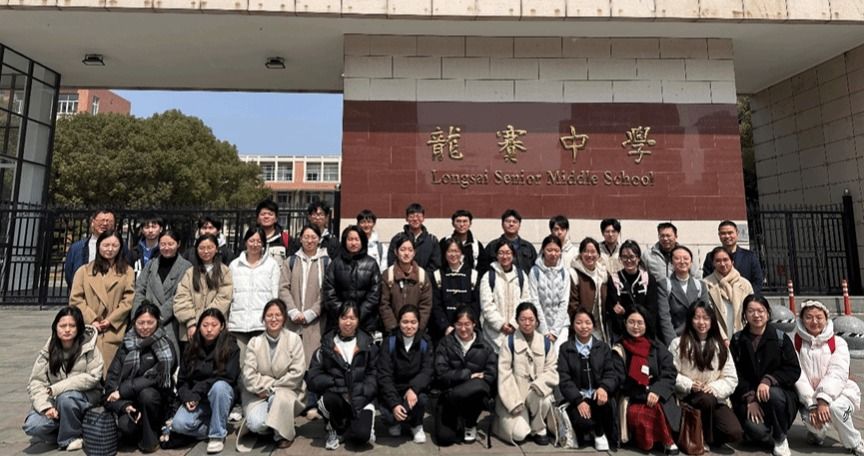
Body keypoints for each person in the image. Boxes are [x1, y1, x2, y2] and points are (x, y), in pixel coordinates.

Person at [23, 307, 103, 451]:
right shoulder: (49, 349)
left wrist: (57, 389)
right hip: (54, 399)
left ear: (79, 328)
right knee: (33, 426)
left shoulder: (89, 346)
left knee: (66, 398)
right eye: (62, 326)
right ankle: (69, 431)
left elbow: (93, 376)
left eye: (72, 326)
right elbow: (36, 382)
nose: (67, 330)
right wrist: (46, 407)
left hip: (84, 397)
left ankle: (69, 439)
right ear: (56, 327)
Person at [730, 295, 801, 456]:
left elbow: (793, 370)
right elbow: (734, 373)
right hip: (748, 398)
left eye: (760, 311)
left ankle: (780, 438)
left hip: (779, 396)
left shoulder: (780, 338)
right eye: (751, 311)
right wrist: (750, 398)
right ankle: (765, 432)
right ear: (744, 314)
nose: (756, 315)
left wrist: (769, 380)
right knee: (758, 432)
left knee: (773, 394)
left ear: (768, 313)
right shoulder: (738, 340)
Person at [103, 303, 176, 453]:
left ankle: (151, 437)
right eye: (141, 323)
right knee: (125, 426)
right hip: (131, 401)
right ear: (134, 322)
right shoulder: (126, 344)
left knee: (147, 395)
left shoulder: (166, 346)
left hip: (157, 401)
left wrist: (123, 390)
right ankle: (138, 433)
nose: (145, 327)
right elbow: (112, 379)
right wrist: (124, 405)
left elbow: (156, 378)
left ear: (158, 322)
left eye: (150, 322)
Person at [794, 300, 864, 455]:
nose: (814, 322)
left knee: (835, 408)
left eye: (819, 317)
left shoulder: (838, 343)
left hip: (841, 393)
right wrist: (813, 404)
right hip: (810, 398)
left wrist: (823, 399)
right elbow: (798, 376)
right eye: (809, 317)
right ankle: (816, 434)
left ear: (826, 319)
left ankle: (854, 441)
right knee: (816, 424)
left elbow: (837, 372)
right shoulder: (795, 344)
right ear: (802, 319)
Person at [669, 302, 743, 449]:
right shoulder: (678, 344)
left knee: (734, 432)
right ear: (690, 320)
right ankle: (702, 439)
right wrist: (689, 384)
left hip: (715, 397)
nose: (701, 322)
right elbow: (670, 374)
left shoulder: (720, 346)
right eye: (697, 318)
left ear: (712, 321)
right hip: (688, 396)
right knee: (705, 399)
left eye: (706, 318)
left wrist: (713, 388)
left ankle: (706, 432)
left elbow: (731, 378)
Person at [306, 303, 379, 450]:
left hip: (361, 398)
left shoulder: (368, 344)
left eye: (352, 318)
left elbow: (374, 373)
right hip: (338, 396)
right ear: (337, 319)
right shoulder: (327, 345)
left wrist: (362, 391)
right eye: (344, 317)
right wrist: (335, 383)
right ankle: (334, 428)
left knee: (361, 436)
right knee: (328, 399)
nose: (348, 322)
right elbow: (313, 376)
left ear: (358, 320)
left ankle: (360, 420)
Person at [169, 309, 240, 454]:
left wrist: (198, 391)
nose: (209, 329)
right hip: (197, 399)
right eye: (205, 325)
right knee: (178, 425)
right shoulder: (191, 347)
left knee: (219, 387)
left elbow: (228, 376)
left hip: (219, 396)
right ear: (199, 326)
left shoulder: (230, 346)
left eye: (214, 325)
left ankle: (217, 435)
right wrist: (188, 396)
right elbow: (182, 380)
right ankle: (214, 425)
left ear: (221, 326)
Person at [240, 299, 307, 449]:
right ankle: (278, 423)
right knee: (255, 424)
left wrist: (272, 388)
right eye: (269, 315)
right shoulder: (254, 342)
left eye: (278, 315)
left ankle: (283, 434)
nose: (273, 319)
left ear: (284, 317)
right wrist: (264, 388)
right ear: (263, 318)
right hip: (258, 394)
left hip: (287, 390)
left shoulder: (294, 339)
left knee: (278, 398)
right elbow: (248, 375)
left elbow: (297, 372)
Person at [613, 307, 680, 455]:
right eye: (631, 322)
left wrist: (656, 391)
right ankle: (666, 441)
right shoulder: (619, 348)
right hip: (634, 397)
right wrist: (645, 390)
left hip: (659, 395)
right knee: (647, 412)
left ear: (646, 324)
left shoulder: (657, 346)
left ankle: (665, 440)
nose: (635, 326)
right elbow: (620, 380)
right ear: (625, 323)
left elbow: (669, 372)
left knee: (658, 406)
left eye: (640, 322)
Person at [69, 229, 135, 375]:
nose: (110, 249)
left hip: (114, 329)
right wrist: (92, 319)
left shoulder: (127, 271)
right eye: (106, 245)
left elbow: (128, 300)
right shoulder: (83, 271)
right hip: (89, 329)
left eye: (114, 245)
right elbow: (76, 299)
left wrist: (110, 320)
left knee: (111, 373)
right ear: (99, 246)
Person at [558, 308, 624, 450]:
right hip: (579, 396)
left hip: (597, 395)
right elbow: (564, 379)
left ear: (593, 325)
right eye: (579, 323)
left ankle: (600, 433)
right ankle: (594, 430)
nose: (584, 327)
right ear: (573, 325)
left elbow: (611, 373)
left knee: (605, 405)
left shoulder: (603, 347)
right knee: (583, 422)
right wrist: (578, 400)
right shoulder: (565, 348)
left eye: (588, 323)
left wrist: (604, 387)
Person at [494, 302, 558, 445]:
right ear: (517, 321)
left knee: (544, 399)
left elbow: (551, 369)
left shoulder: (546, 343)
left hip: (535, 393)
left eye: (531, 319)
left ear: (537, 321)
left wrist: (538, 385)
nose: (527, 323)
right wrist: (513, 402)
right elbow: (504, 374)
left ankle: (538, 428)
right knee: (519, 434)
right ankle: (504, 422)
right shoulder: (509, 342)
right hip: (515, 396)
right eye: (523, 319)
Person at [434, 306, 497, 443]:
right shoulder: (445, 344)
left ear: (474, 324)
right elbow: (441, 374)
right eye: (459, 324)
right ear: (454, 325)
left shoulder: (485, 347)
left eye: (467, 324)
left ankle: (470, 423)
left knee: (479, 387)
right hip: (449, 397)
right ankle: (455, 418)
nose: (463, 329)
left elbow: (490, 374)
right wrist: (468, 375)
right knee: (445, 439)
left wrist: (476, 381)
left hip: (472, 399)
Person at [378, 305, 434, 443]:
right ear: (399, 322)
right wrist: (394, 404)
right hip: (395, 389)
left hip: (414, 391)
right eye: (405, 322)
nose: (409, 326)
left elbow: (427, 370)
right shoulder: (389, 342)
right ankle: (395, 422)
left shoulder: (425, 342)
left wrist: (414, 388)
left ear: (419, 323)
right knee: (388, 415)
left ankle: (416, 424)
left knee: (421, 399)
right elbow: (384, 375)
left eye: (413, 322)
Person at [133, 230, 193, 356]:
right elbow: (139, 289)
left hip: (170, 321)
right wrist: (140, 316)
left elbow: (179, 296)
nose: (166, 248)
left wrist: (156, 317)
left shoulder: (186, 267)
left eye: (170, 244)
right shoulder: (151, 264)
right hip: (145, 320)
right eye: (163, 244)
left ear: (178, 244)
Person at [280, 224, 330, 364]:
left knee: (313, 362)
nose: (309, 240)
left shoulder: (326, 262)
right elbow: (283, 288)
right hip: (292, 322)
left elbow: (327, 291)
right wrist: (293, 311)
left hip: (316, 323)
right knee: (291, 361)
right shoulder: (290, 261)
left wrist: (311, 313)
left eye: (313, 237)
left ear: (319, 239)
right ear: (300, 239)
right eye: (306, 237)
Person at [174, 234, 234, 346]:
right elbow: (181, 298)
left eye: (210, 247)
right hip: (191, 331)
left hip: (214, 330)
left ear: (216, 249)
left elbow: (224, 299)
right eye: (201, 248)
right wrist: (191, 323)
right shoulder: (190, 272)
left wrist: (206, 323)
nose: (206, 251)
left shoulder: (225, 272)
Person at [227, 227, 280, 354]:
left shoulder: (272, 265)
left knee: (261, 362)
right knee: (239, 362)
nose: (255, 244)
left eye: (259, 241)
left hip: (262, 325)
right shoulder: (234, 265)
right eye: (251, 240)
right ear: (246, 242)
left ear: (263, 244)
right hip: (238, 325)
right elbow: (229, 294)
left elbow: (275, 294)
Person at [322, 226, 381, 335]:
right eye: (350, 239)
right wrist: (344, 314)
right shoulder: (335, 264)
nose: (353, 243)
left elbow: (375, 293)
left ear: (362, 241)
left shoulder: (371, 264)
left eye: (356, 239)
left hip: (366, 322)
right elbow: (329, 291)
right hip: (338, 321)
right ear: (344, 241)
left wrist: (358, 314)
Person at [480, 241, 536, 354]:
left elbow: (525, 301)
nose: (504, 256)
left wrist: (513, 324)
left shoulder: (521, 276)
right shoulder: (488, 276)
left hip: (516, 333)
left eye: (508, 253)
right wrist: (501, 325)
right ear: (496, 255)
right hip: (493, 336)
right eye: (501, 253)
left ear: (513, 255)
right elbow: (487, 305)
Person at [605, 240, 659, 343]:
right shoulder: (614, 279)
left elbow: (652, 309)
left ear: (638, 258)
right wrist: (616, 310)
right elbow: (611, 306)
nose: (628, 260)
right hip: (622, 333)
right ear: (620, 259)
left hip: (644, 331)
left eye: (632, 256)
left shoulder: (648, 279)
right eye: (624, 257)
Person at [380, 234, 433, 336]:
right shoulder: (388, 275)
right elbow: (384, 304)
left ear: (414, 252)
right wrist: (393, 328)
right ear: (396, 252)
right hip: (393, 332)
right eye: (402, 249)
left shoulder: (422, 275)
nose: (406, 253)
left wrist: (417, 327)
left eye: (410, 250)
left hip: (416, 331)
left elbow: (426, 305)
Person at [430, 238, 480, 343]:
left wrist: (467, 324)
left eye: (456, 251)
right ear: (444, 253)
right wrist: (445, 326)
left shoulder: (473, 275)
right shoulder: (437, 275)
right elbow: (436, 305)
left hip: (468, 330)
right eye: (450, 251)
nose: (453, 255)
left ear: (462, 253)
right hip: (443, 332)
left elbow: (476, 304)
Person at [656, 245, 709, 345]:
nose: (682, 261)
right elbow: (664, 317)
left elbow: (705, 314)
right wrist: (673, 343)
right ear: (671, 263)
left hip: (697, 338)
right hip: (675, 338)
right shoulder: (664, 285)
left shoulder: (700, 285)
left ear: (691, 262)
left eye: (686, 258)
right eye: (677, 258)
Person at [530, 235, 570, 350]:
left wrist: (555, 332)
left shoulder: (565, 273)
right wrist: (544, 330)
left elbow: (564, 302)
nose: (553, 254)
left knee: (559, 356)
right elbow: (534, 301)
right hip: (539, 326)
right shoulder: (535, 272)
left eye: (556, 250)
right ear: (543, 250)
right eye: (549, 250)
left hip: (561, 326)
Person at [704, 247, 754, 340]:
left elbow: (751, 310)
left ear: (732, 261)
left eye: (725, 260)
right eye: (718, 261)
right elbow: (708, 314)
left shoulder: (744, 284)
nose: (722, 264)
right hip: (717, 336)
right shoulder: (706, 284)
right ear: (713, 263)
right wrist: (722, 337)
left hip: (742, 335)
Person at [702, 220, 764, 294]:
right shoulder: (711, 257)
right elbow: (708, 281)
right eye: (723, 233)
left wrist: (747, 297)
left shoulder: (750, 256)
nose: (727, 236)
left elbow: (757, 281)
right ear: (719, 235)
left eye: (730, 233)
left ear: (737, 233)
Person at [64, 209, 117, 289]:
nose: (105, 223)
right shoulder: (77, 248)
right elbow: (69, 275)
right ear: (92, 222)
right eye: (102, 220)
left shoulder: (122, 248)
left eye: (109, 221)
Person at [569, 237, 609, 342]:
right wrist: (581, 324)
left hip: (601, 327)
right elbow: (573, 304)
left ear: (598, 255)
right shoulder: (574, 274)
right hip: (582, 327)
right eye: (586, 251)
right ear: (580, 254)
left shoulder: (603, 274)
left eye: (593, 252)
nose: (590, 255)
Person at [387, 203, 441, 271]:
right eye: (411, 216)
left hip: (425, 277)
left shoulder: (432, 240)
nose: (415, 219)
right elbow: (392, 261)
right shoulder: (397, 238)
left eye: (418, 216)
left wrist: (422, 275)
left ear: (423, 218)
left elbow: (435, 264)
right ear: (406, 219)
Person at [485, 209, 537, 274]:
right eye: (508, 221)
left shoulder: (528, 247)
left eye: (514, 222)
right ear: (502, 224)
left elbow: (535, 270)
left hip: (524, 280)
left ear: (519, 225)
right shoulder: (492, 246)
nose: (511, 224)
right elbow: (484, 269)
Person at [439, 209, 488, 273]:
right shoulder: (445, 241)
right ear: (453, 224)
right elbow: (439, 262)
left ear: (470, 223)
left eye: (465, 221)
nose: (462, 224)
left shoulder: (476, 245)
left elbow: (482, 267)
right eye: (458, 221)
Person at [256, 199, 292, 263]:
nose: (266, 216)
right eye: (263, 214)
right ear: (258, 218)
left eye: (270, 214)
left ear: (276, 219)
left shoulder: (285, 239)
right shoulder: (250, 239)